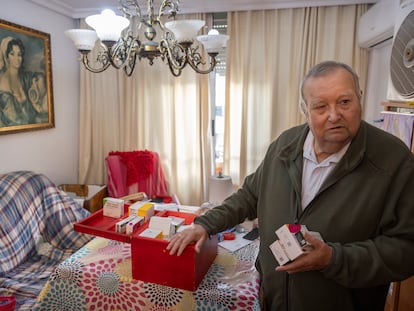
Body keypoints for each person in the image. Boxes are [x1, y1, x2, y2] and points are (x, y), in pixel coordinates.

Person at [167, 61, 414, 311]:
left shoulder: (393, 160)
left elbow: (406, 249)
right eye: (320, 106)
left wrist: (332, 258)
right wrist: (205, 225)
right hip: (275, 299)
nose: (334, 115)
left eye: (344, 102)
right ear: (304, 109)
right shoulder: (286, 144)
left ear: (360, 98)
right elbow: (249, 196)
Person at [0, 36, 45, 126]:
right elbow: (12, 121)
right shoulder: (3, 85)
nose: (17, 58)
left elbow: (41, 77)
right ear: (6, 57)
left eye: (19, 54)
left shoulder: (25, 78)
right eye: (12, 54)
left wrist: (36, 86)